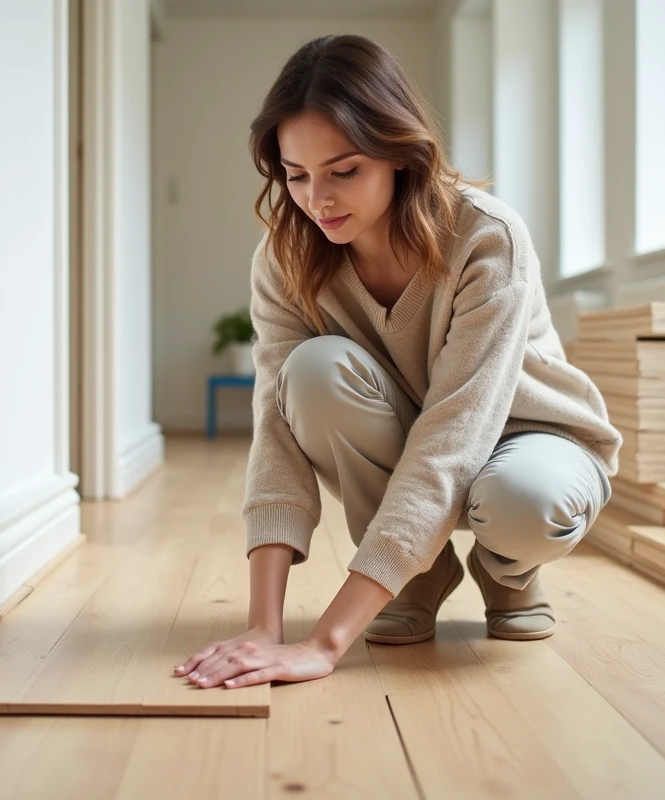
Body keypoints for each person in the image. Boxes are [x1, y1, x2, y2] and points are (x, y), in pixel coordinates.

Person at [174, 34, 620, 691]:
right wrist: (263, 627)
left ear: (398, 152)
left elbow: (454, 437)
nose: (317, 199)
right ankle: (420, 570)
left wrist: (326, 643)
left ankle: (510, 574)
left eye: (344, 170)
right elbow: (276, 433)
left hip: (528, 435)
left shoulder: (486, 238)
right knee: (311, 373)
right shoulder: (285, 257)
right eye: (296, 175)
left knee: (523, 501)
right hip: (418, 433)